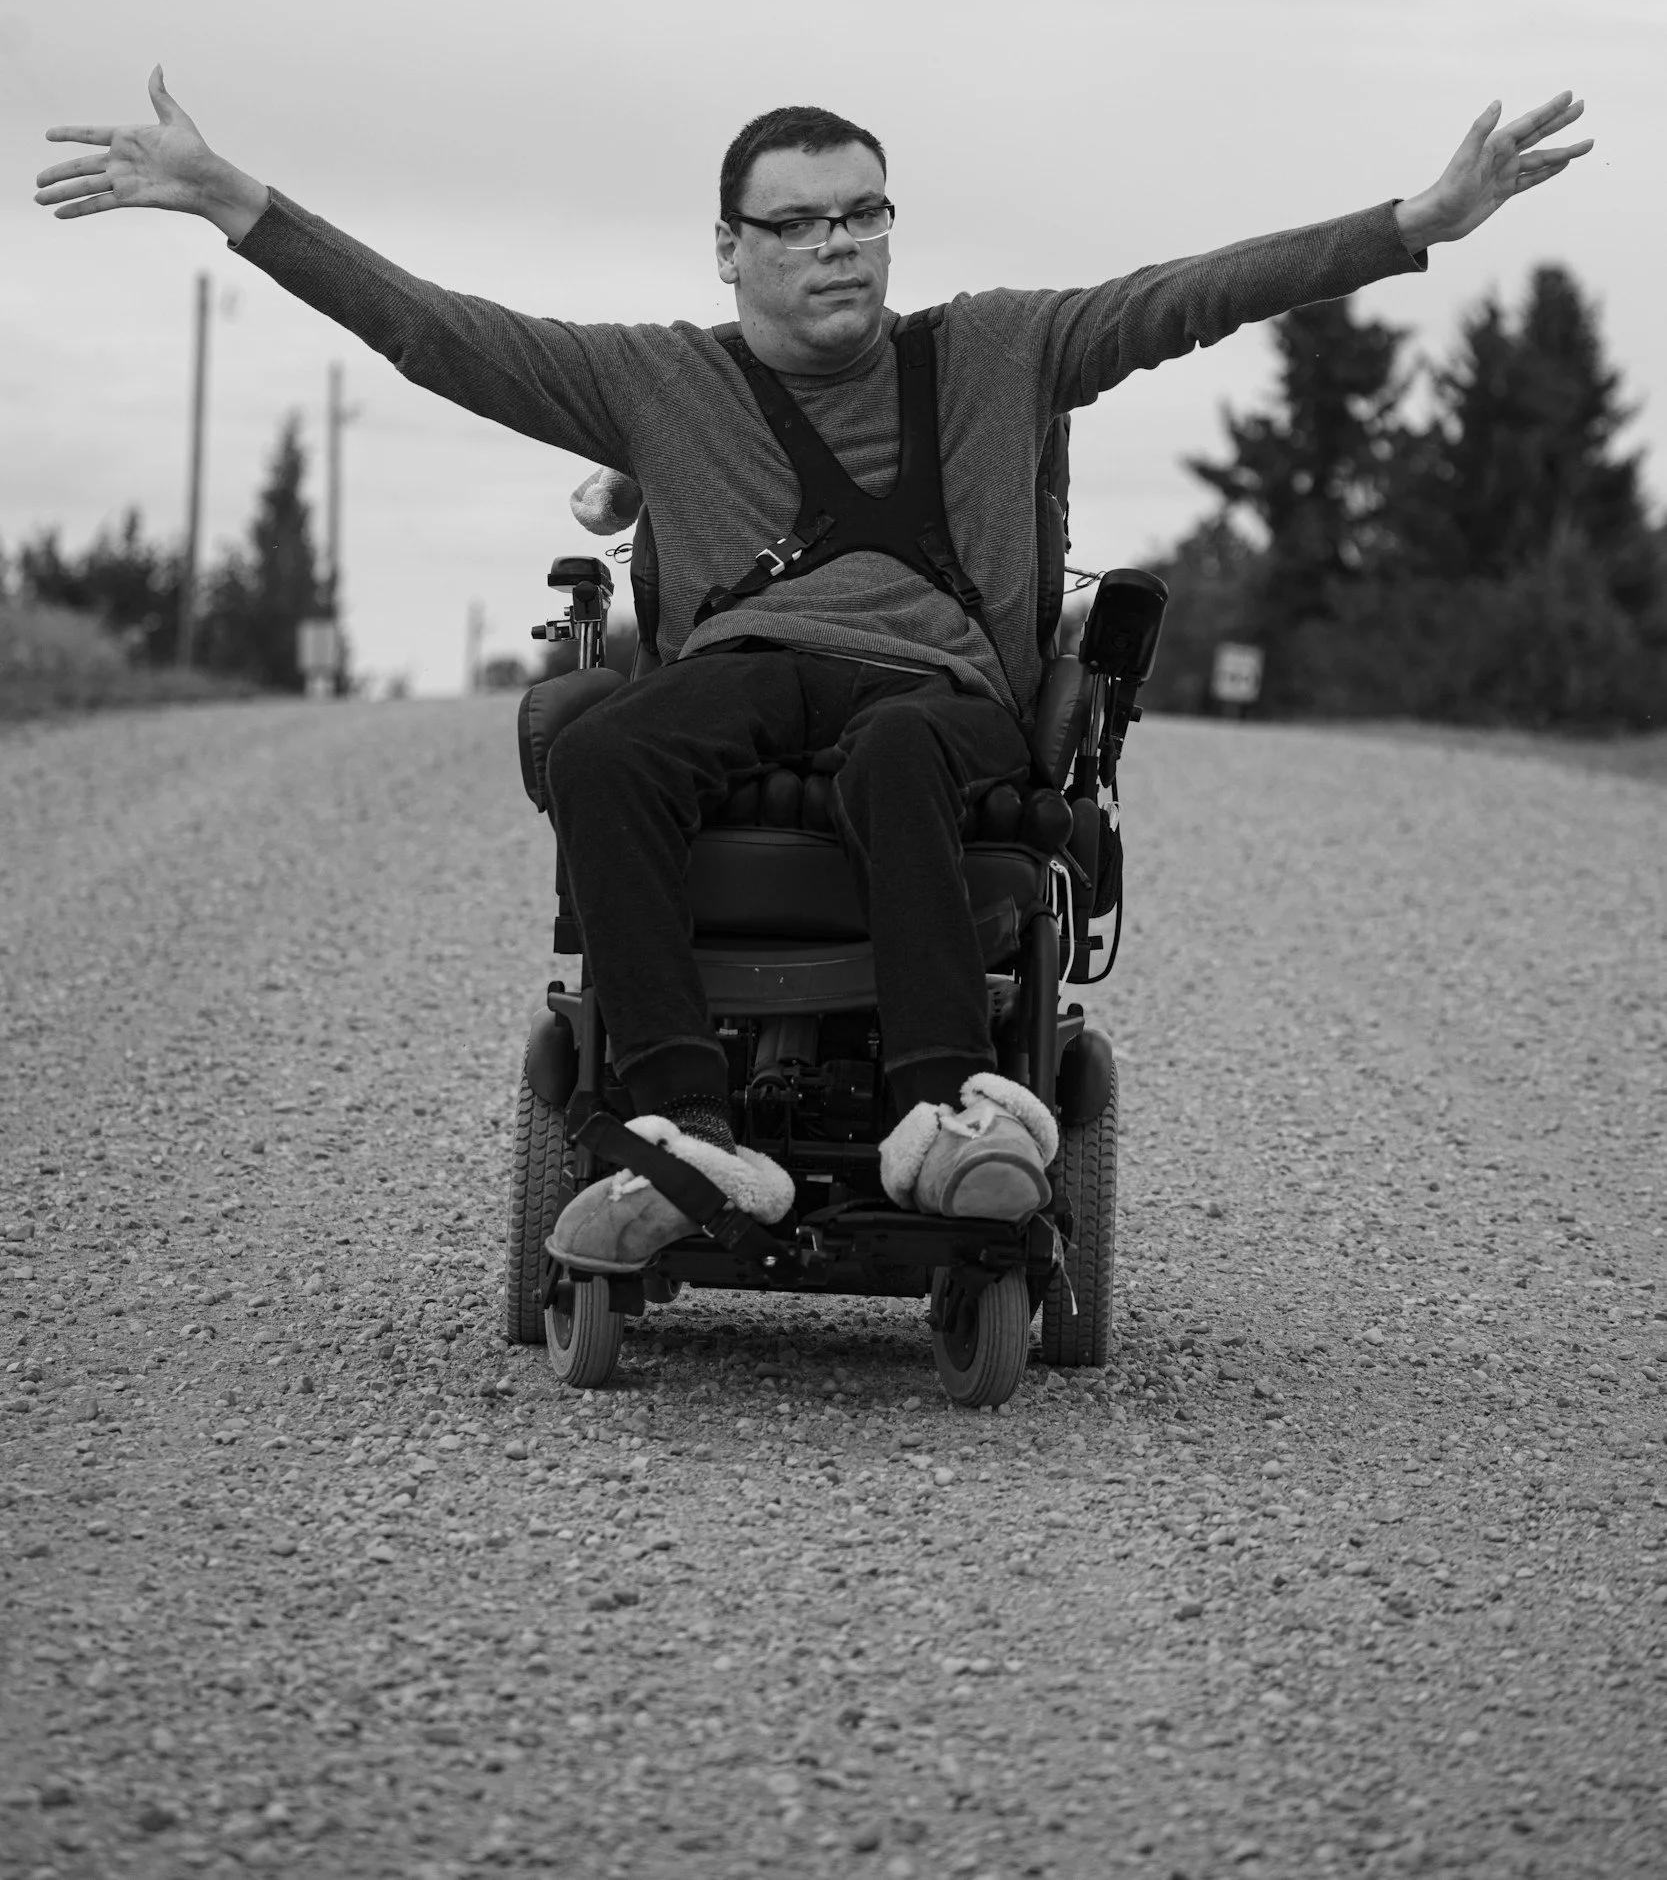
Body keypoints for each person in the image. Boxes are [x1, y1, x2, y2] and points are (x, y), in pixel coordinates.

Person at [36, 75, 1591, 1265]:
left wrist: (1408, 229)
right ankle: (682, 1126)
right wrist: (241, 203)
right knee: (605, 746)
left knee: (899, 757)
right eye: (796, 221)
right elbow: (436, 334)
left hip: (936, 697)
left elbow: (1189, 295)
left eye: (862, 214)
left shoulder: (1000, 348)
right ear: (728, 248)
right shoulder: (651, 384)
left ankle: (943, 1108)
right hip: (749, 670)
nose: (837, 243)